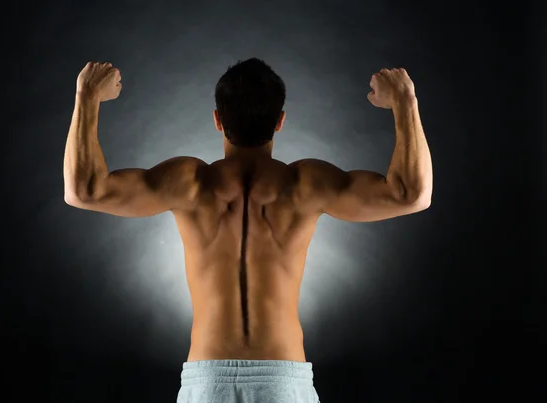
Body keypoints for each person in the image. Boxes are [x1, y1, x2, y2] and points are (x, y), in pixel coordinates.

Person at [63, 58, 433, 403]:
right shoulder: (305, 184)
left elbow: (84, 191)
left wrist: (88, 97)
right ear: (280, 121)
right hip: (283, 381)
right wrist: (405, 101)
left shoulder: (189, 183)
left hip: (207, 382)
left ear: (217, 120)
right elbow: (410, 195)